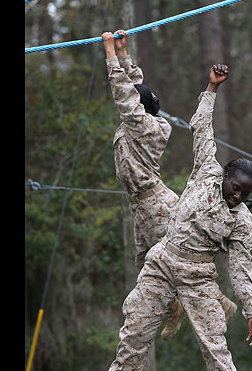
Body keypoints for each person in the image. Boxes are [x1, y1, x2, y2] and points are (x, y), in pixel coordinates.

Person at [96, 61, 252, 371]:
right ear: (225, 176)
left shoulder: (242, 222)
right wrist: (212, 88)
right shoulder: (207, 172)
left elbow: (240, 267)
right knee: (135, 327)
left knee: (213, 343)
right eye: (235, 187)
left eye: (244, 194)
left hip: (198, 274)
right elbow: (203, 127)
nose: (237, 196)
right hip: (162, 260)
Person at [100, 30, 237, 341]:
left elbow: (124, 92)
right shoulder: (143, 119)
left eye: (134, 104)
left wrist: (109, 51)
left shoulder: (144, 127)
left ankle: (208, 304)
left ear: (139, 110)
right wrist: (123, 53)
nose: (129, 106)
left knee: (172, 262)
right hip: (143, 206)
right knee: (145, 265)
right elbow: (134, 86)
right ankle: (192, 303)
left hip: (155, 205)